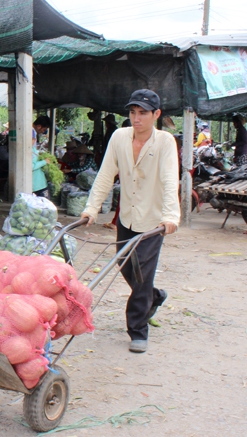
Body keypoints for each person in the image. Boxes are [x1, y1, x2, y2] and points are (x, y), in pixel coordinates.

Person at [81, 89, 180, 354]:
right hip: (127, 217)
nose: (136, 119)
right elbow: (105, 176)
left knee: (142, 274)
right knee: (126, 266)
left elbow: (171, 179)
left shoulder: (165, 142)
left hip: (152, 220)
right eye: (133, 113)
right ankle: (154, 296)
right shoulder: (119, 137)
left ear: (156, 115)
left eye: (143, 113)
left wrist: (171, 216)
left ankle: (138, 330)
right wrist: (91, 209)